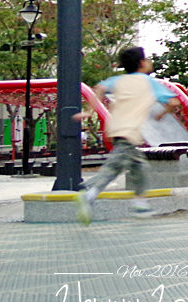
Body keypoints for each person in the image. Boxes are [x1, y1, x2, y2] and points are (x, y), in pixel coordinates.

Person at [71, 47, 177, 225]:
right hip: (129, 131)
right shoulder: (148, 82)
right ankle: (89, 192)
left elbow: (100, 88)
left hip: (116, 129)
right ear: (142, 63)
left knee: (136, 166)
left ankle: (139, 203)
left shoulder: (118, 80)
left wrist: (89, 112)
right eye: (147, 59)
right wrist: (162, 113)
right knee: (114, 167)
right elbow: (174, 101)